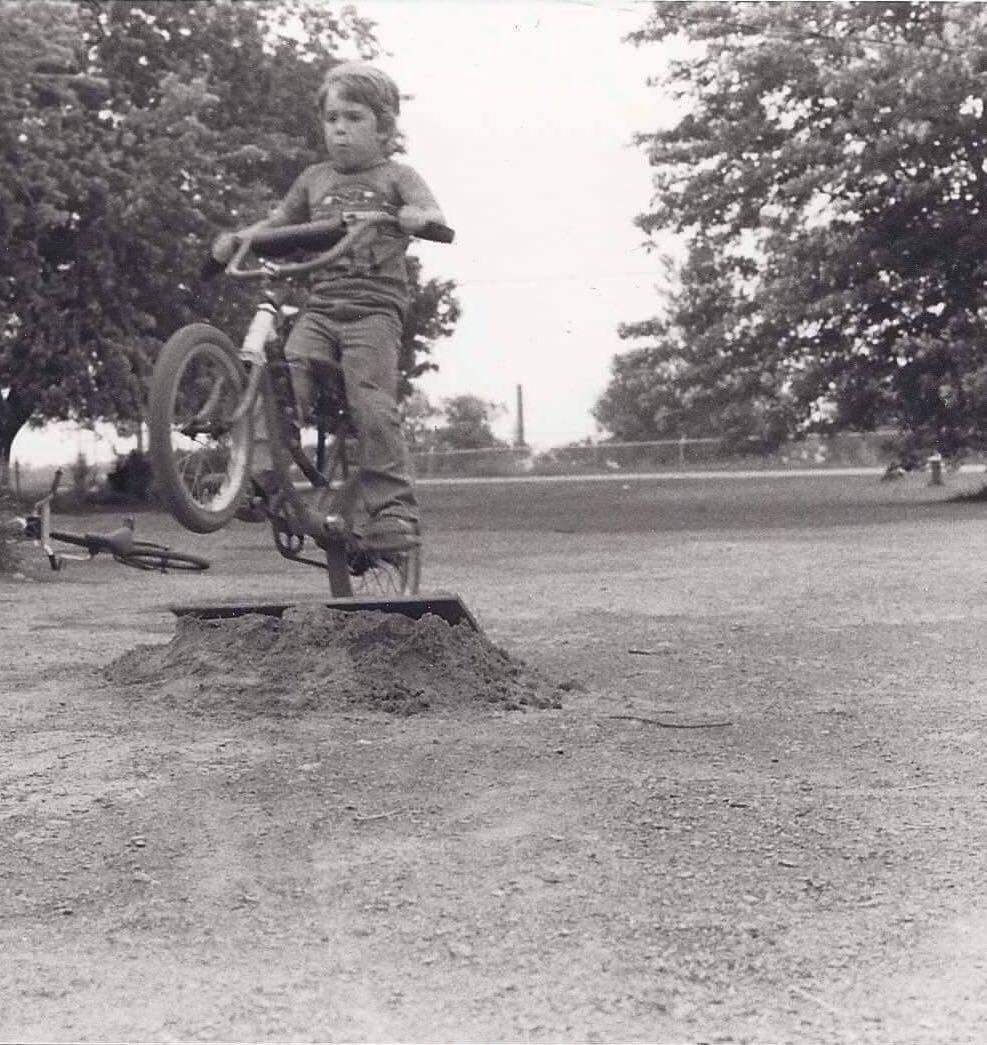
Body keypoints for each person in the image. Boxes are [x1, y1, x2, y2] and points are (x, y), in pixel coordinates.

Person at [212, 61, 446, 551]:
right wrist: (239, 239)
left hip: (374, 310)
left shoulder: (397, 176)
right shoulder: (314, 179)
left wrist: (414, 217)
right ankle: (262, 476)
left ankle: (394, 510)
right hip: (320, 309)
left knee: (370, 399)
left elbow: (431, 213)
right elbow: (278, 223)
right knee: (281, 376)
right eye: (332, 118)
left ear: (384, 127)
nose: (340, 128)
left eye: (354, 118)